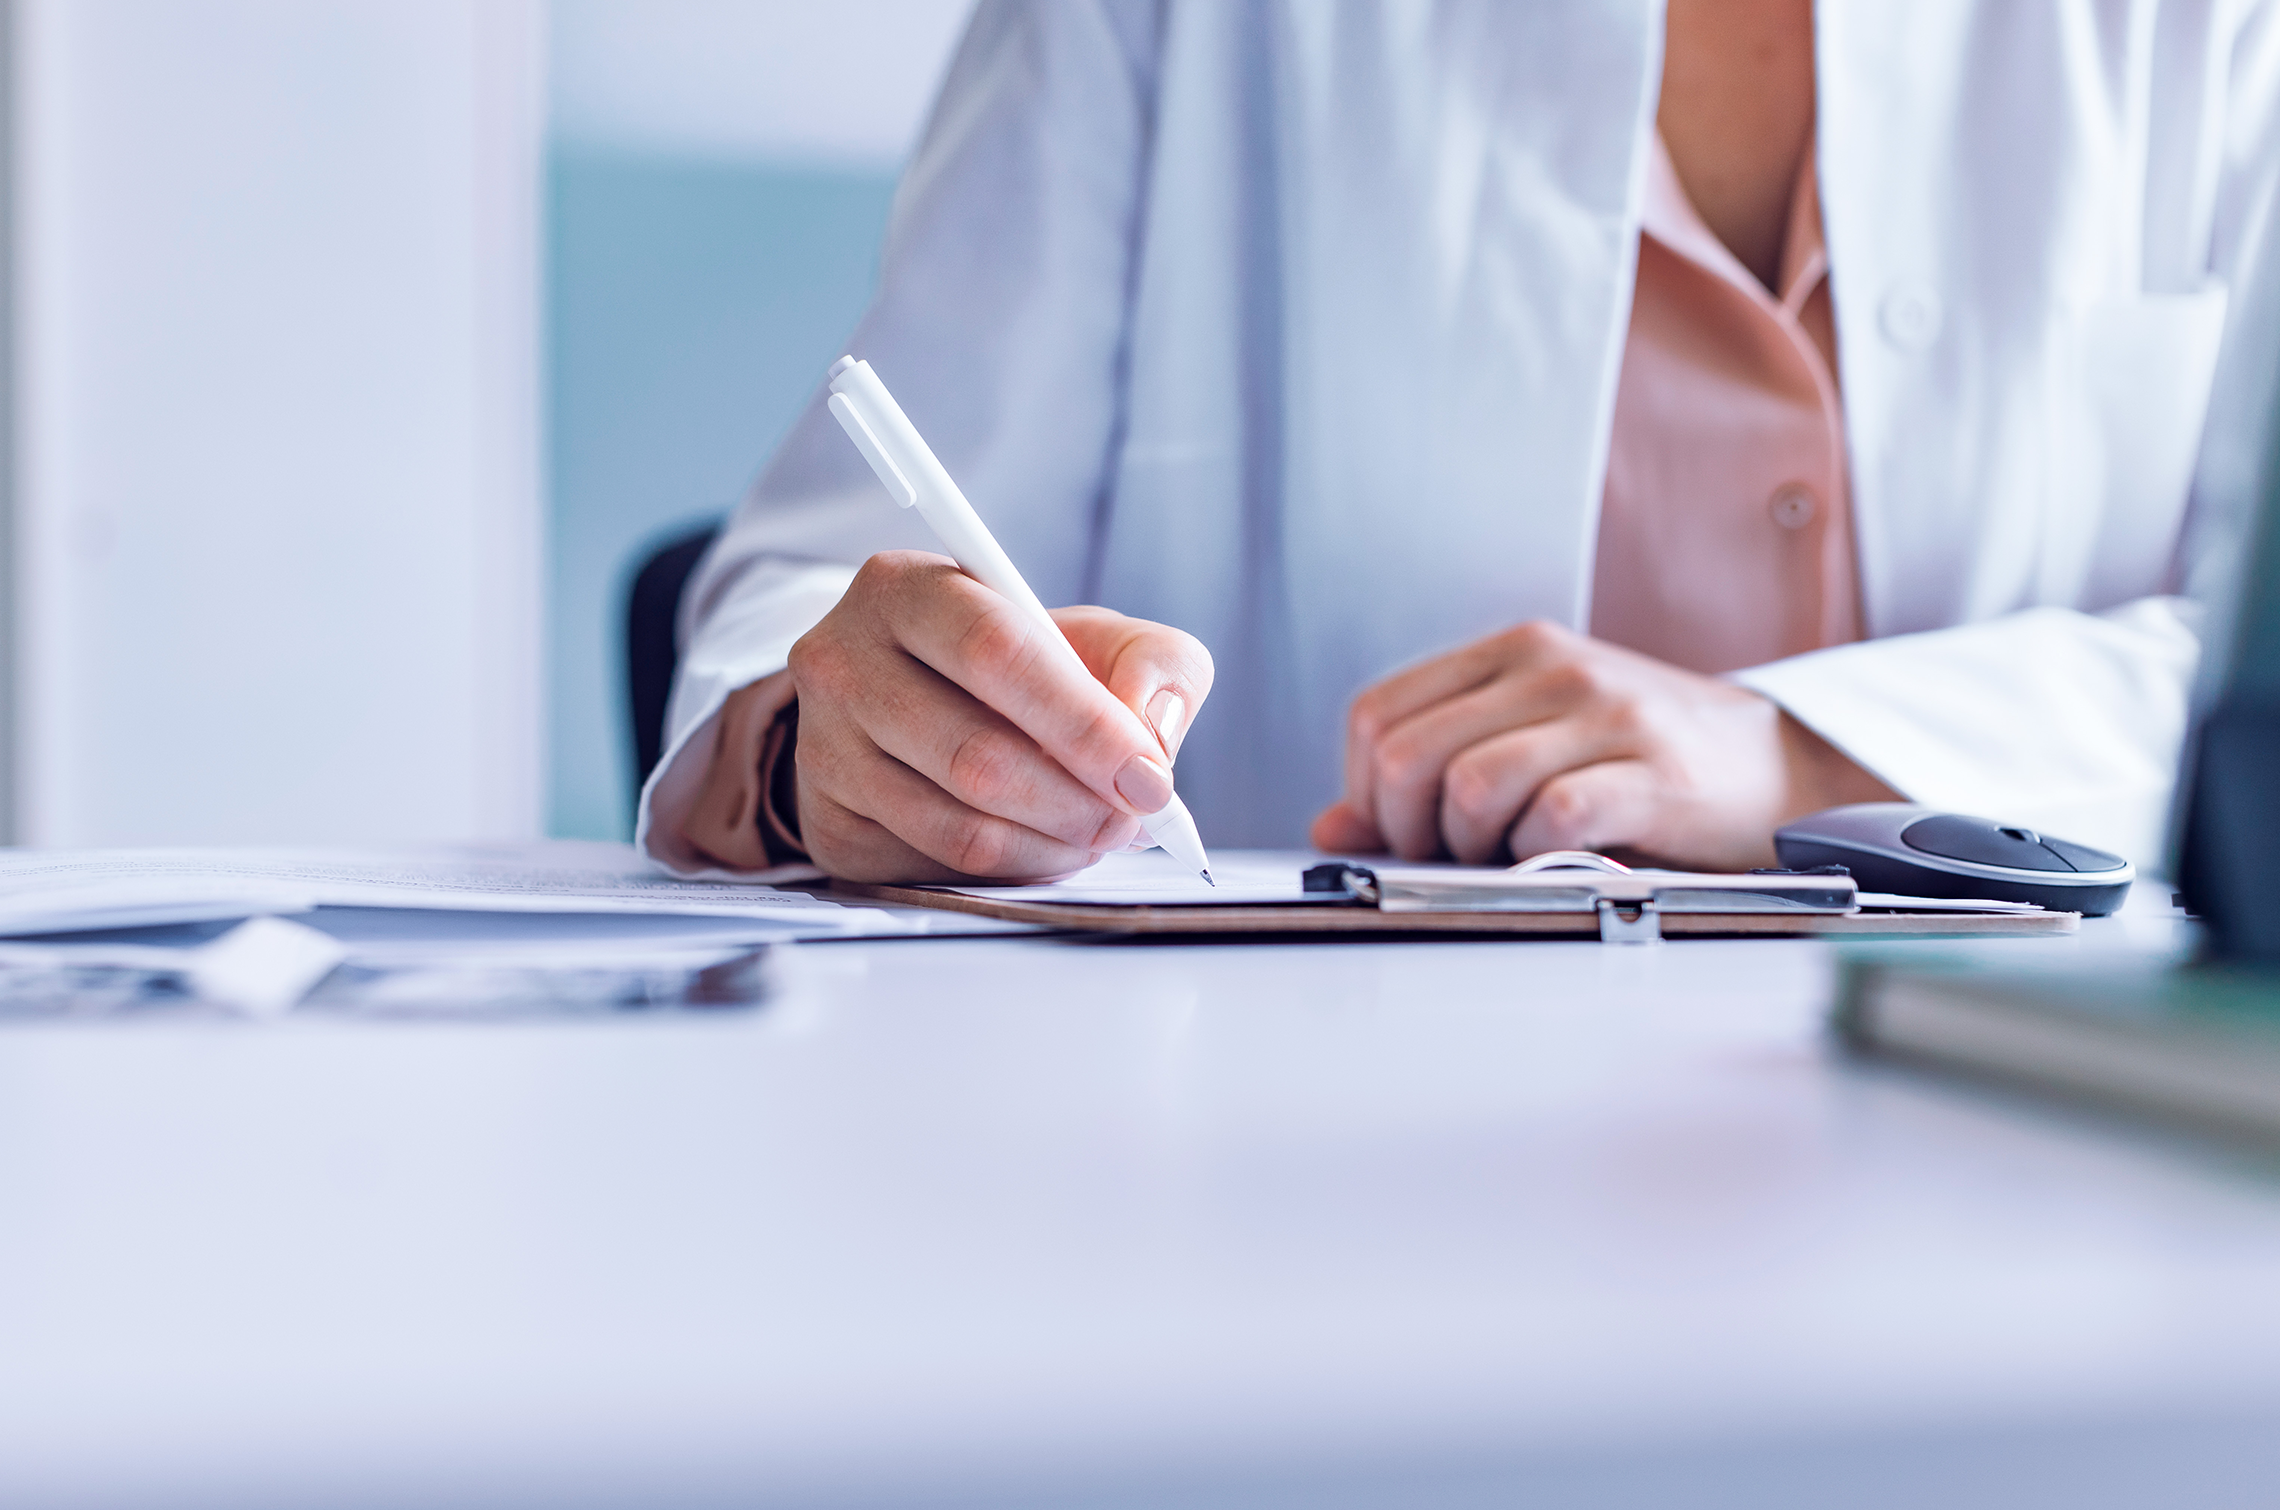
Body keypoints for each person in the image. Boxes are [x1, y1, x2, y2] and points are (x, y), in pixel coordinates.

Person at [641, 0, 2280, 885]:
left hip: (2022, 1142)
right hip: (1274, 1158)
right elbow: (832, 574)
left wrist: (1796, 756)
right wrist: (829, 746)